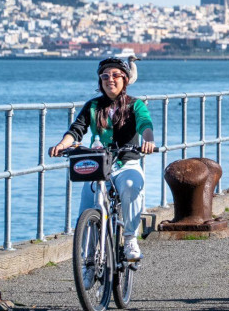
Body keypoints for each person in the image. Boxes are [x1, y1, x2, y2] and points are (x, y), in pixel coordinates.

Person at [49, 57, 156, 261]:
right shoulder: (93, 106)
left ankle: (130, 238)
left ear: (125, 79)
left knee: (132, 186)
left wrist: (148, 141)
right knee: (87, 208)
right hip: (98, 164)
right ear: (100, 81)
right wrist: (62, 145)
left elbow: (145, 124)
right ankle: (88, 260)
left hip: (126, 162)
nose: (110, 79)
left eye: (116, 75)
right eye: (105, 76)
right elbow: (77, 129)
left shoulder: (135, 104)